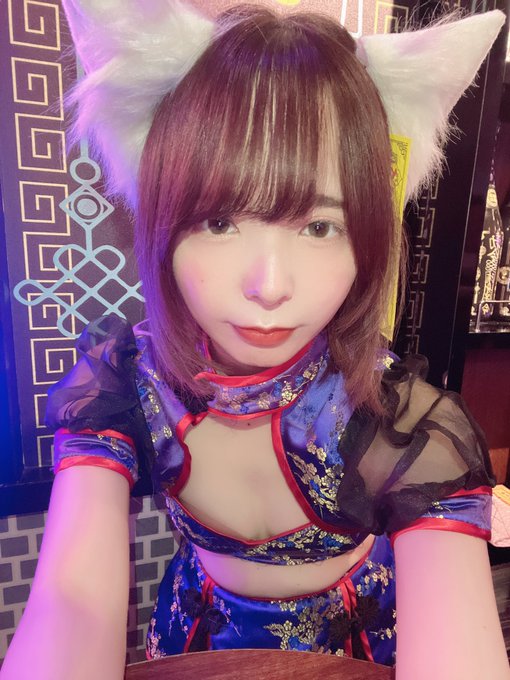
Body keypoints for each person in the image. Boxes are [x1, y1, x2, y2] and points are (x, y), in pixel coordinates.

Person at [2, 3, 509, 679]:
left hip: (353, 654)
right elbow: (70, 603)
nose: (269, 286)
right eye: (218, 221)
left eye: (320, 227)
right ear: (160, 220)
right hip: (192, 642)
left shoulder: (401, 423)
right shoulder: (126, 382)